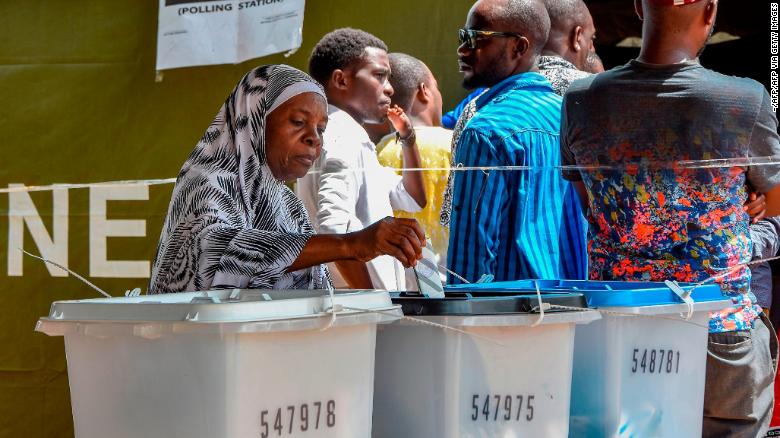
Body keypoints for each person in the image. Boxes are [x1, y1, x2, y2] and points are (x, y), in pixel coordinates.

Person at [561, 0, 780, 435]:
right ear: (712, 11)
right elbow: (773, 205)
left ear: (639, 10)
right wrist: (743, 226)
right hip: (722, 329)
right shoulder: (745, 99)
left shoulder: (582, 99)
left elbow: (592, 208)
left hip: (622, 329)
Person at [148, 64, 425, 293]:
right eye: (298, 122)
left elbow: (315, 286)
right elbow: (218, 252)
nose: (313, 138)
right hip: (194, 351)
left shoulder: (288, 204)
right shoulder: (207, 182)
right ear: (256, 120)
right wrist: (351, 244)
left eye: (320, 128)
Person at [446, 0, 587, 284]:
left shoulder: (486, 130)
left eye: (476, 38)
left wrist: (460, 311)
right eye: (463, 37)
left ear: (519, 47)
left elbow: (470, 258)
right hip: (574, 304)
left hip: (509, 313)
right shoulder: (568, 117)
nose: (462, 49)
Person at [297, 28, 427, 290]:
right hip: (356, 312)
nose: (390, 88)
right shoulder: (341, 133)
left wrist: (408, 138)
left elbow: (413, 198)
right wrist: (372, 300)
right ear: (341, 80)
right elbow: (333, 230)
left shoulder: (346, 133)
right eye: (379, 76)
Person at [376, 53, 453, 280]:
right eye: (436, 87)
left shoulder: (377, 152)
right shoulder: (453, 144)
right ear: (424, 91)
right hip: (451, 278)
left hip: (396, 278)